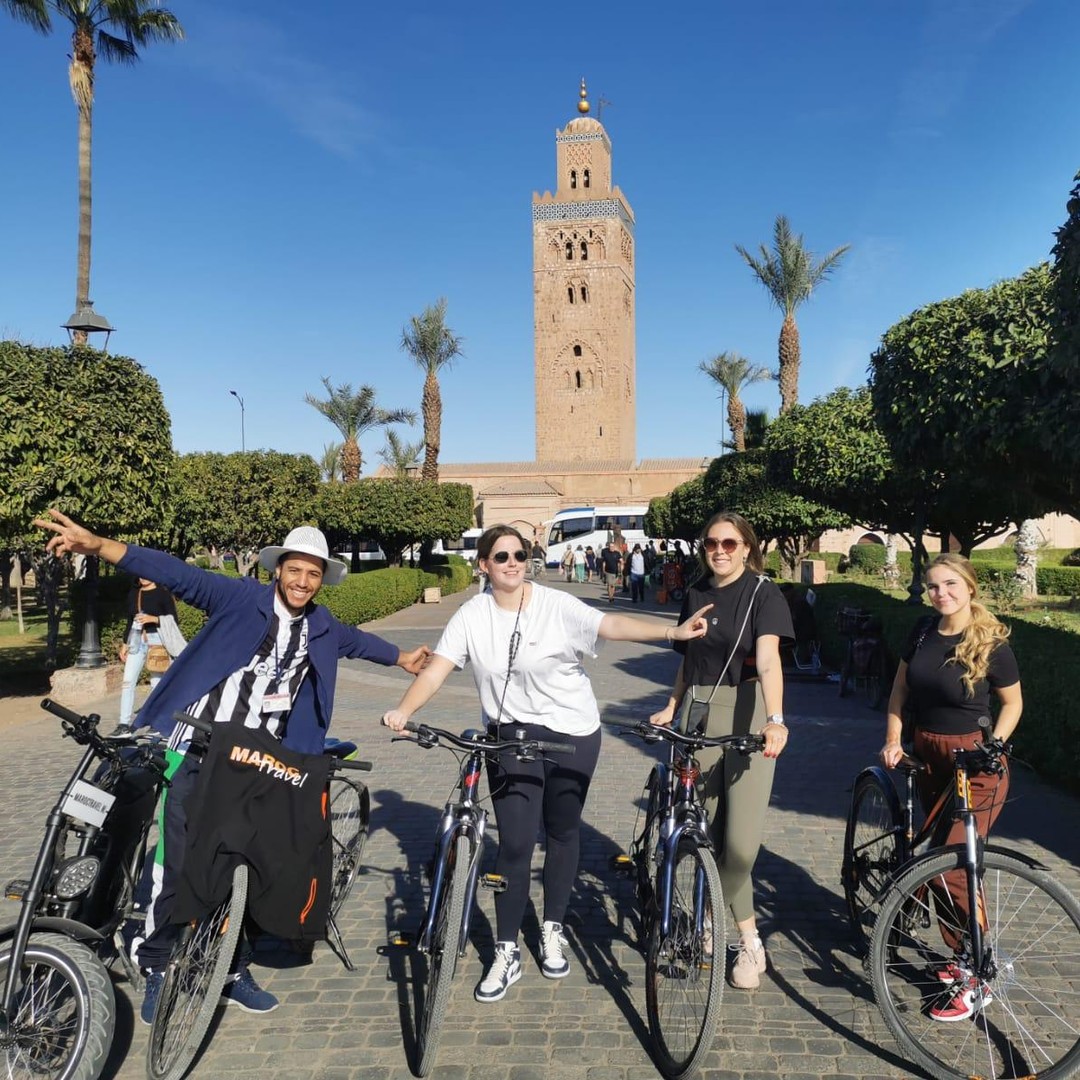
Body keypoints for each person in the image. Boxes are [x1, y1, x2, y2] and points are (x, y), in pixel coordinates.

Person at [36, 509, 431, 1023]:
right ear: (278, 569)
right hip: (196, 747)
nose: (303, 581)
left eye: (313, 574)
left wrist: (402, 657)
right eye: (296, 570)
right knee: (178, 857)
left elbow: (360, 642)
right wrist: (98, 544)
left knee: (243, 862)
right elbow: (178, 573)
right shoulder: (239, 599)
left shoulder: (321, 624)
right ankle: (153, 959)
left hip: (258, 763)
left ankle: (228, 966)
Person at [382, 525, 711, 1003]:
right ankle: (506, 948)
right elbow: (438, 668)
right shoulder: (471, 615)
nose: (512, 562)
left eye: (520, 553)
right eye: (501, 556)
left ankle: (552, 927)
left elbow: (608, 626)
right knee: (514, 842)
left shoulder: (556, 605)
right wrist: (405, 710)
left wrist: (672, 631)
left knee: (561, 830)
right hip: (510, 733)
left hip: (573, 731)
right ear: (484, 565)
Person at [650, 511, 793, 990]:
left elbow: (770, 660)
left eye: (730, 543)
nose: (720, 551)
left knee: (741, 843)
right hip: (697, 709)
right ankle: (749, 943)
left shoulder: (763, 593)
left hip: (749, 709)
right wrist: (671, 706)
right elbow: (690, 662)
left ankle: (710, 911)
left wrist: (775, 720)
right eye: (711, 543)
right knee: (705, 832)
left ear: (747, 547)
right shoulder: (695, 592)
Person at [880, 553, 1022, 1022]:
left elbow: (1013, 703)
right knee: (938, 856)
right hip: (928, 756)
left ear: (969, 586)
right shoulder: (922, 631)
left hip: (977, 761)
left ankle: (979, 974)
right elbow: (900, 690)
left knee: (954, 862)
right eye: (933, 586)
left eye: (950, 584)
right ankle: (959, 954)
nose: (941, 593)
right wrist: (893, 738)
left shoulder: (991, 641)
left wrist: (995, 745)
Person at [115, 577, 186, 736]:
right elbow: (129, 619)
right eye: (140, 574)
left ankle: (157, 722)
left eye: (146, 573)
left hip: (157, 641)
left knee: (156, 683)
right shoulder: (134, 593)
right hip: (136, 639)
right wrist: (125, 643)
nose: (143, 577)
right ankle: (123, 724)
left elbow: (173, 619)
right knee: (127, 681)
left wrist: (153, 619)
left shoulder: (163, 593)